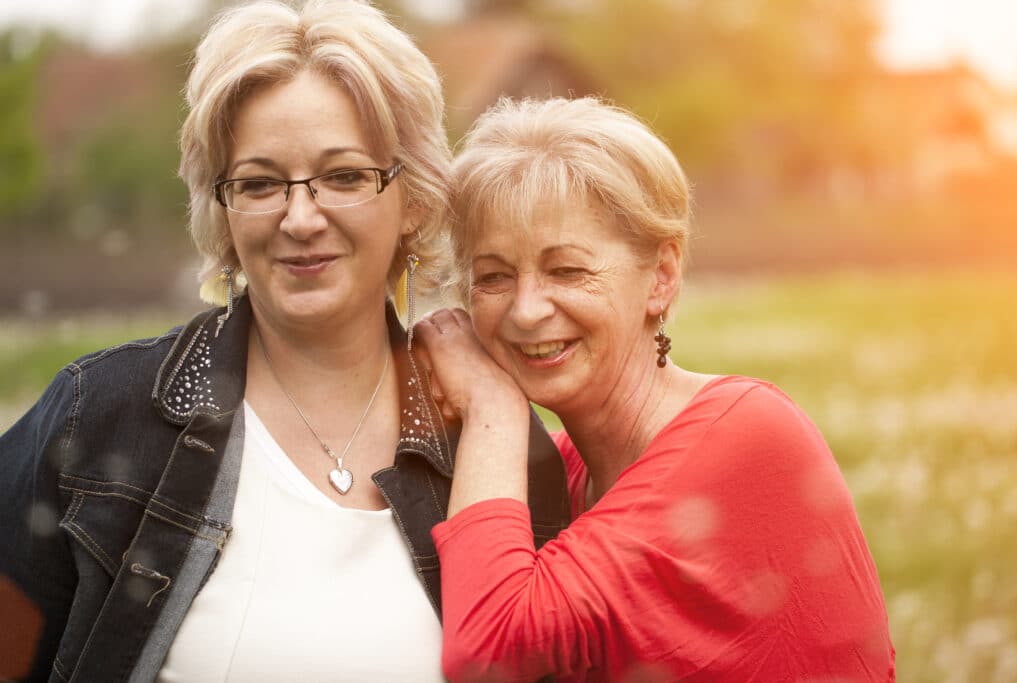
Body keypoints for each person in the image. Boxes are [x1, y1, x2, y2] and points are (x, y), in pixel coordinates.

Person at [0, 3, 569, 682]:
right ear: (222, 205)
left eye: (344, 176)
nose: (301, 218)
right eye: (261, 183)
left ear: (412, 196)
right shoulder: (96, 417)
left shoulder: (498, 450)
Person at [415, 97, 895, 683]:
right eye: (493, 276)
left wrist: (491, 406)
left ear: (661, 278)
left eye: (566, 270)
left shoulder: (745, 436)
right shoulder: (557, 471)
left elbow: (487, 653)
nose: (526, 309)